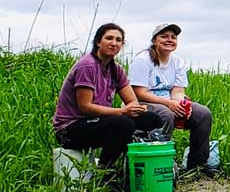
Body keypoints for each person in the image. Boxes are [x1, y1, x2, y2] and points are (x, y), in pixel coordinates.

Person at [52, 23, 160, 177]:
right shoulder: (87, 66)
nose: (114, 43)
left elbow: (132, 101)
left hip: (96, 122)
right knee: (123, 123)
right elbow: (85, 107)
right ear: (98, 42)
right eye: (109, 38)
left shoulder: (116, 70)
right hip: (70, 129)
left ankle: (134, 166)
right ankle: (103, 171)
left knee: (152, 119)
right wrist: (122, 111)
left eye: (118, 40)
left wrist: (136, 109)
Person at [129, 23, 217, 177]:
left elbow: (178, 90)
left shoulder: (177, 62)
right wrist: (168, 104)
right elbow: (139, 92)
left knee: (203, 113)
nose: (169, 40)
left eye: (173, 37)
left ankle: (196, 165)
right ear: (155, 40)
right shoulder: (142, 60)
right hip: (143, 103)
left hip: (169, 102)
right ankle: (161, 162)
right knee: (165, 114)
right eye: (164, 36)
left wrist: (181, 105)